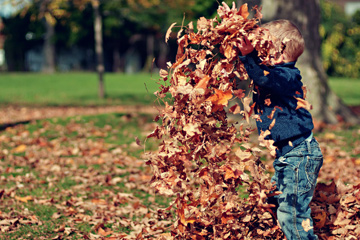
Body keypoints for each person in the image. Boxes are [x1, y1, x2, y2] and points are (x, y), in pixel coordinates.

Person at [238, 19, 323, 239]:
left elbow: (265, 79)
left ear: (279, 50)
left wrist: (248, 57)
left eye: (264, 47)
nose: (259, 51)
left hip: (299, 156)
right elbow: (260, 75)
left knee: (292, 214)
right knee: (272, 199)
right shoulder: (275, 74)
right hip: (288, 157)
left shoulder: (287, 76)